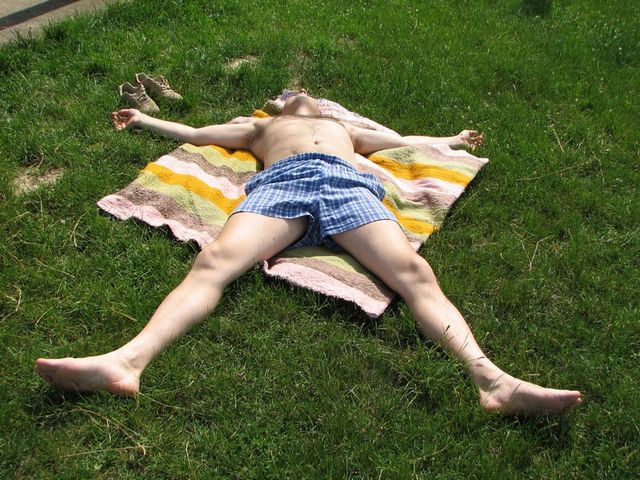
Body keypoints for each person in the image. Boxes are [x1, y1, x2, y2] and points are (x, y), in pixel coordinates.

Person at [35, 90, 582, 415]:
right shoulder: (261, 126)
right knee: (214, 263)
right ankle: (126, 362)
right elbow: (197, 133)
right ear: (279, 104)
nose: (301, 94)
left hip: (349, 186)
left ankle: (491, 381)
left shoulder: (346, 128)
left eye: (307, 93)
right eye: (292, 93)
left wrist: (452, 142)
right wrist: (144, 120)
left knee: (414, 273)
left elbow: (404, 143)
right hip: (282, 186)